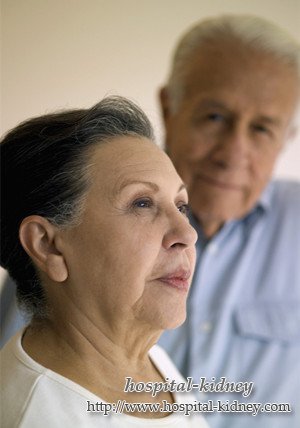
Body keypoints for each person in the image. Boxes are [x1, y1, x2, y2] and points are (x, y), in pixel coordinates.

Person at [0, 96, 209, 428]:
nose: (187, 233)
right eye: (142, 203)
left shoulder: (146, 357)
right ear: (48, 246)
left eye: (180, 205)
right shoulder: (39, 418)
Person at [158, 14, 300, 428]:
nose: (233, 153)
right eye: (215, 118)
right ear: (170, 109)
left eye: (261, 129)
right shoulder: (80, 222)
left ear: (285, 139)